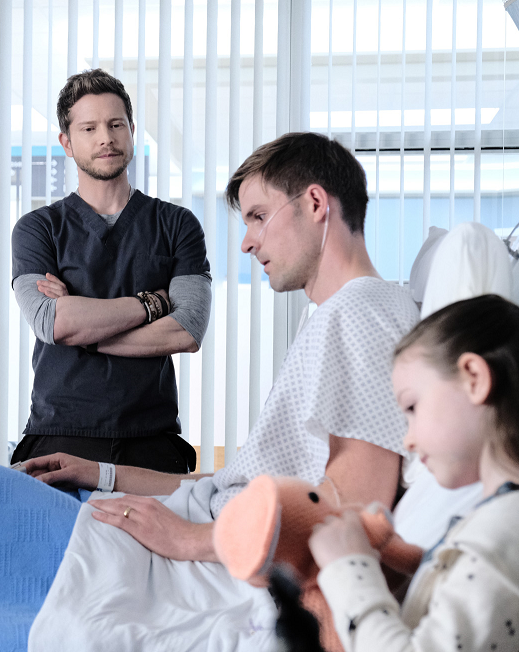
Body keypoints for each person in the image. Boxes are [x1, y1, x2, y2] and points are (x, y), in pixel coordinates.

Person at [23, 131, 417, 565]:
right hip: (215, 516)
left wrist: (191, 540)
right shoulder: (332, 315)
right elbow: (238, 485)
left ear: (315, 203)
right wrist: (100, 473)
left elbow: (355, 507)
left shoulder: (360, 313)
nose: (247, 242)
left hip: (221, 544)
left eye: (259, 217)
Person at [10, 68, 211, 474]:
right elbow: (52, 322)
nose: (106, 137)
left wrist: (83, 331)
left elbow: (187, 330)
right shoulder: (38, 229)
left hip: (150, 437)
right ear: (67, 143)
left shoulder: (177, 225)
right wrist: (153, 304)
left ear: (132, 131)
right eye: (89, 128)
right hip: (60, 432)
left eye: (116, 124)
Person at [309, 294, 519, 652]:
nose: (407, 439)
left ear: (474, 378)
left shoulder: (503, 531)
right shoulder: (493, 523)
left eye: (412, 406)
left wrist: (349, 568)